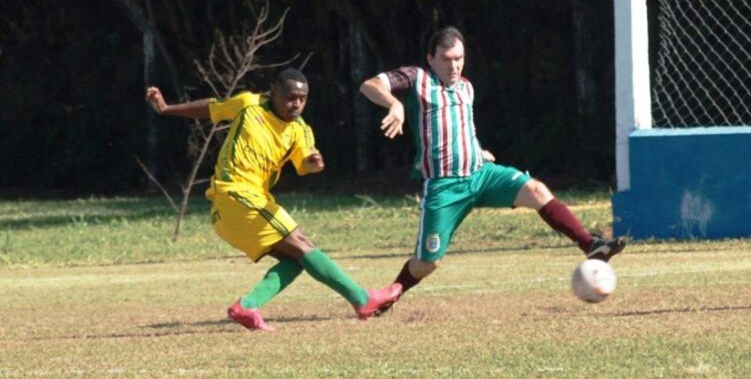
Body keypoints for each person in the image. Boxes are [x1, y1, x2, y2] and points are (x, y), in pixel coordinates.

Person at [359, 26, 626, 313]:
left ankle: (591, 245)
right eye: (447, 59)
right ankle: (392, 292)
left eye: (459, 58)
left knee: (535, 190)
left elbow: (463, 128)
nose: (454, 65)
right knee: (427, 263)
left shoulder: (466, 87)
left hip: (481, 174)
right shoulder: (417, 79)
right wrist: (394, 105)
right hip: (445, 187)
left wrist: (477, 150)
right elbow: (370, 85)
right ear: (431, 58)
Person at [145, 68, 401, 331]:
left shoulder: (300, 131)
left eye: (303, 98)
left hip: (246, 204)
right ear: (273, 92)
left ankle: (248, 305)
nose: (297, 104)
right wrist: (166, 109)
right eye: (291, 97)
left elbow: (305, 164)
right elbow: (213, 108)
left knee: (296, 259)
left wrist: (315, 163)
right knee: (301, 243)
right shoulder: (249, 105)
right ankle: (362, 299)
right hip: (235, 194)